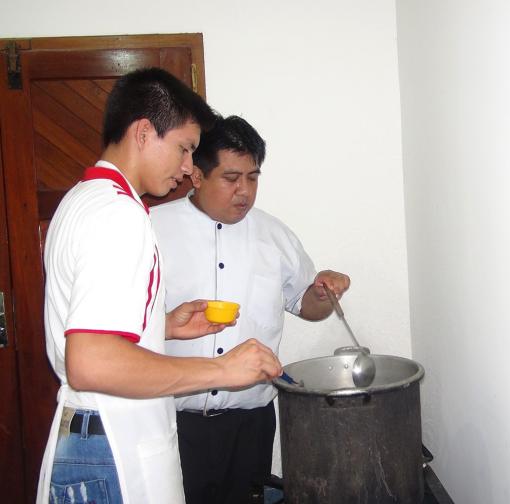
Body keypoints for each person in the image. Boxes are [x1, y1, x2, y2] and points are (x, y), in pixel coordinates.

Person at [38, 69, 285, 504]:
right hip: (113, 445)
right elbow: (91, 361)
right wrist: (222, 370)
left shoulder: (83, 200)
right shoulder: (118, 216)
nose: (189, 167)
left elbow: (90, 331)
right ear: (143, 133)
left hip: (96, 436)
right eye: (184, 148)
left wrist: (162, 326)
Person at [150, 115, 350, 503]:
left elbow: (306, 306)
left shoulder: (274, 235)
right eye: (231, 178)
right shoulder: (152, 230)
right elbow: (128, 324)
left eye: (253, 178)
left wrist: (322, 293)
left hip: (250, 423)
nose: (244, 191)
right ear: (197, 175)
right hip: (172, 421)